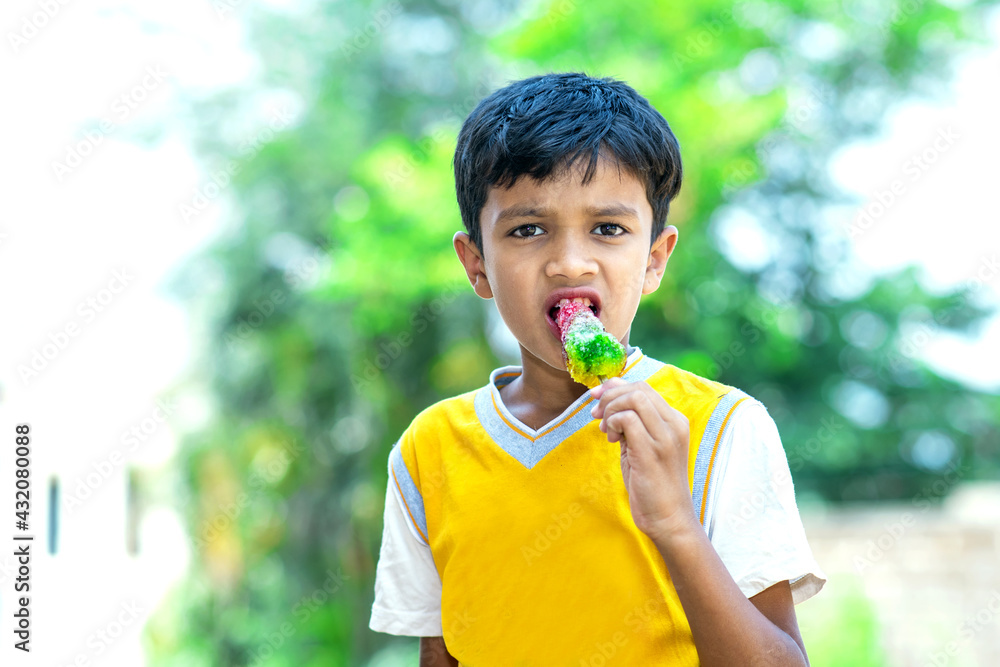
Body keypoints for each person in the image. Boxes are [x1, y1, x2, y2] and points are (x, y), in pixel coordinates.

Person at [369, 71, 825, 666]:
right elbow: (443, 653)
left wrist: (675, 524)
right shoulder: (429, 450)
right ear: (476, 263)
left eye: (608, 229)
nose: (569, 263)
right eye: (528, 230)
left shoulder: (722, 428)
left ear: (655, 259)